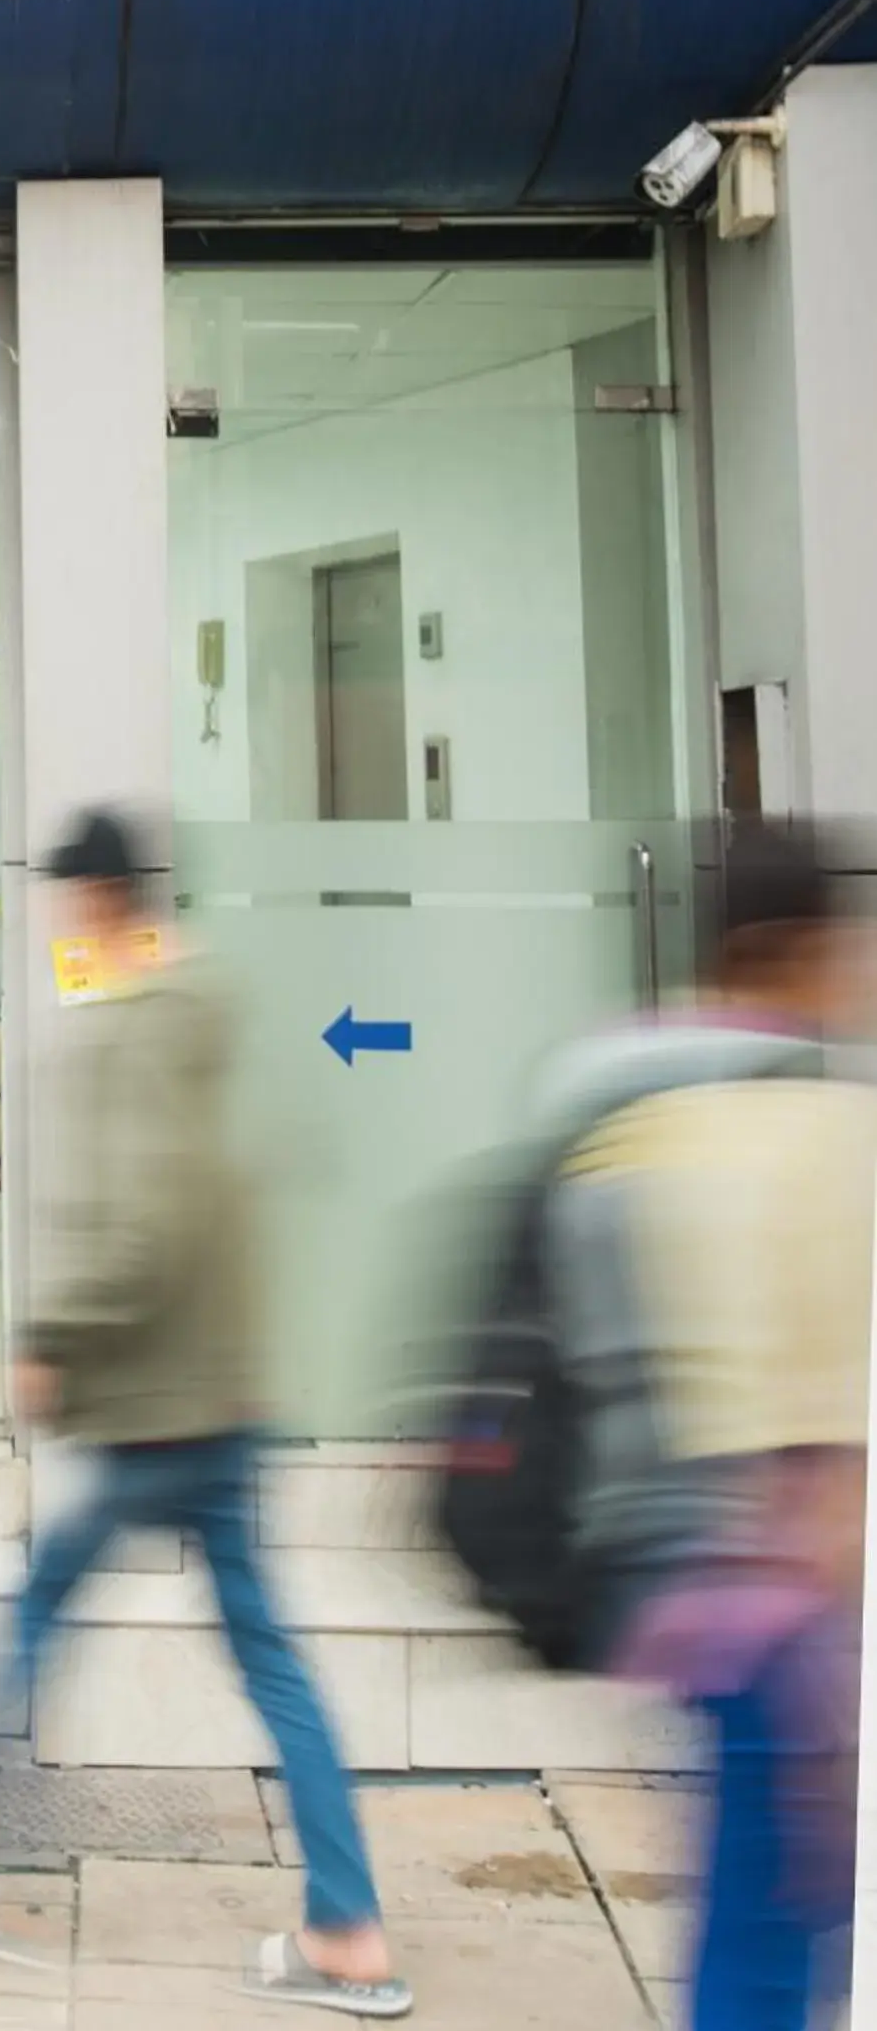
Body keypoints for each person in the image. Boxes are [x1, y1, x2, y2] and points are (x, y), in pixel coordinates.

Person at [0, 808, 407, 2018]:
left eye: (62, 903)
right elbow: (232, 1193)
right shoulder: (208, 1009)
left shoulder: (140, 1027)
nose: (58, 924)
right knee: (268, 1661)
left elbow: (150, 1224)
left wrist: (53, 1337)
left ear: (96, 901)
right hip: (219, 1395)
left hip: (159, 1408)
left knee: (40, 1607)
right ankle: (349, 1927)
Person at [540, 823, 875, 2031]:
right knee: (773, 1928)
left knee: (749, 1913)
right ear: (791, 949)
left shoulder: (621, 1109)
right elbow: (823, 1422)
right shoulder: (811, 1122)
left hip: (667, 1581)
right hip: (779, 1596)